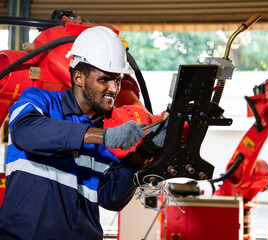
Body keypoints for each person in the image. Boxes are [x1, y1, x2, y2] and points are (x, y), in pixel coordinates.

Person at [0, 26, 161, 239]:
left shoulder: (107, 127)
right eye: (104, 79)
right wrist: (103, 137)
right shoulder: (40, 101)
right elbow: (24, 131)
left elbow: (110, 198)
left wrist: (142, 153)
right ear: (78, 77)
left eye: (118, 80)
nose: (114, 88)